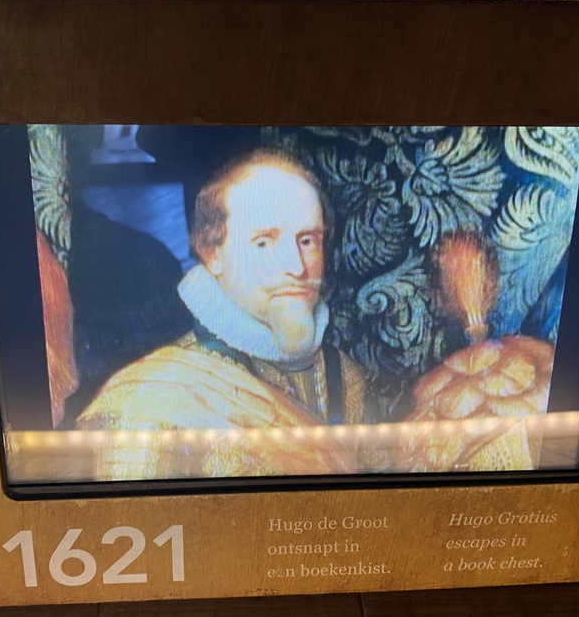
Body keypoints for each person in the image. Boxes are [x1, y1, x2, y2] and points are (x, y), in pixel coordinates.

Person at [77, 150, 370, 480]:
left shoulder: (348, 377)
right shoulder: (150, 401)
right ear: (212, 252)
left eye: (307, 240)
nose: (296, 267)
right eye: (264, 243)